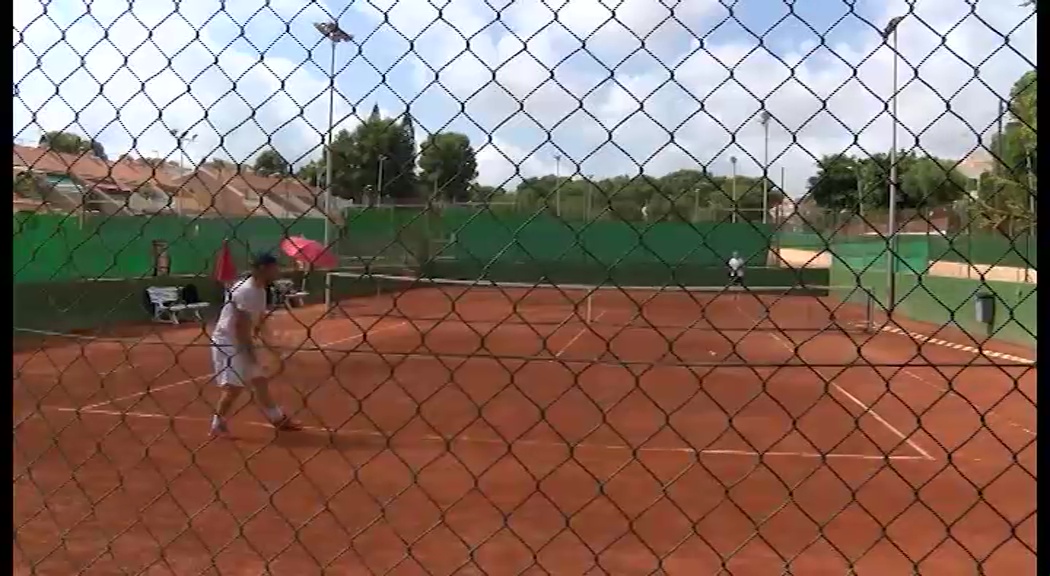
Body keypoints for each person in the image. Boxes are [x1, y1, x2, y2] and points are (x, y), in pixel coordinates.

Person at [209, 252, 301, 438]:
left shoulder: (260, 290)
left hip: (241, 337)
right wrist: (252, 357)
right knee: (234, 388)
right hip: (227, 341)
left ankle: (277, 419)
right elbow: (240, 328)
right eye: (274, 267)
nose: (278, 271)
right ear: (262, 269)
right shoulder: (246, 291)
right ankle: (217, 424)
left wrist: (273, 349)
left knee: (259, 380)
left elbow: (258, 322)